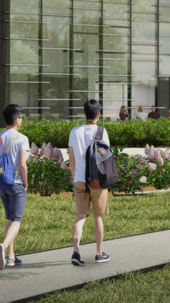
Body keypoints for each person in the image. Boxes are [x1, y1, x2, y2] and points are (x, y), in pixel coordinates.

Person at [0, 104, 29, 270]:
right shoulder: (22, 139)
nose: (21, 120)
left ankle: (11, 257)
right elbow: (23, 165)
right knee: (17, 220)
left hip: (3, 184)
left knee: (9, 219)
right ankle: (3, 246)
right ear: (17, 120)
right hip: (17, 184)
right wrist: (26, 182)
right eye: (21, 117)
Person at [67, 99, 112, 267]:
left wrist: (75, 176)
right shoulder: (102, 131)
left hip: (79, 179)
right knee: (98, 217)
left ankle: (76, 252)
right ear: (98, 114)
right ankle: (99, 253)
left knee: (80, 217)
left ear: (84, 113)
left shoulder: (74, 132)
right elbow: (106, 156)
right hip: (97, 181)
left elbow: (71, 159)